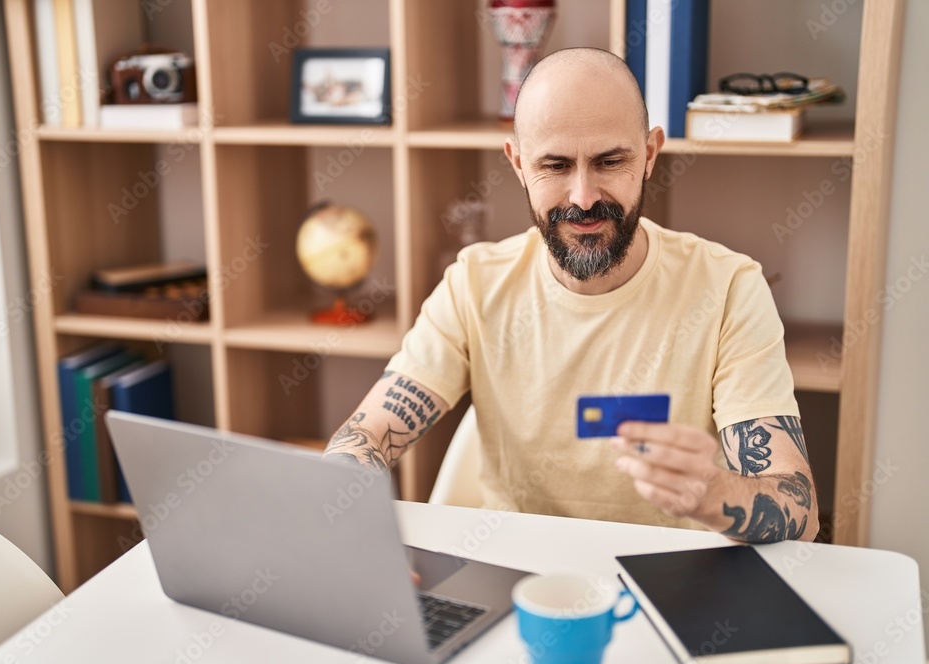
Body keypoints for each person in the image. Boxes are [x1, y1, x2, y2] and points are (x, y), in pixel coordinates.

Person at [323, 47, 817, 544]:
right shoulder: (474, 283)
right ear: (517, 164)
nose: (583, 198)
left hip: (675, 583)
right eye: (555, 166)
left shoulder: (729, 288)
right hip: (516, 575)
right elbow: (366, 435)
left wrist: (711, 492)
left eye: (610, 161)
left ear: (649, 155)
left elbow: (800, 511)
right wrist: (345, 511)